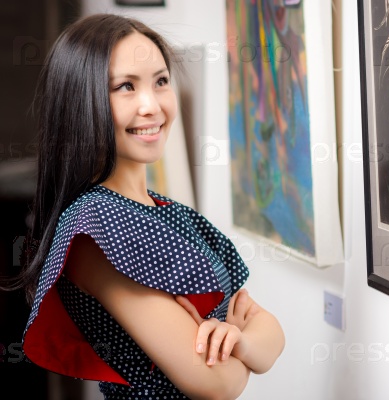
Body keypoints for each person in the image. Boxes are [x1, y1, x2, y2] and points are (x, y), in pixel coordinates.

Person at [4, 13, 285, 399]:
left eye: (161, 81)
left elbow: (270, 333)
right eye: (125, 87)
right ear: (80, 101)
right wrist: (242, 356)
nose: (151, 105)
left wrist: (242, 344)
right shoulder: (95, 224)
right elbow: (214, 384)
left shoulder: (169, 211)